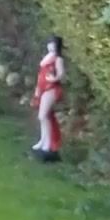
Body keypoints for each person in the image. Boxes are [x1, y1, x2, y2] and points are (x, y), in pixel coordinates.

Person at [31, 35, 65, 163]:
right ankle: (43, 139)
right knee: (44, 116)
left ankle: (48, 143)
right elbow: (41, 73)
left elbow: (61, 74)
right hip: (43, 88)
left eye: (53, 44)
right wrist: (37, 89)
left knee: (43, 115)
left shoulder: (58, 59)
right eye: (49, 43)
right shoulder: (47, 58)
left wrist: (54, 78)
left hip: (52, 89)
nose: (51, 46)